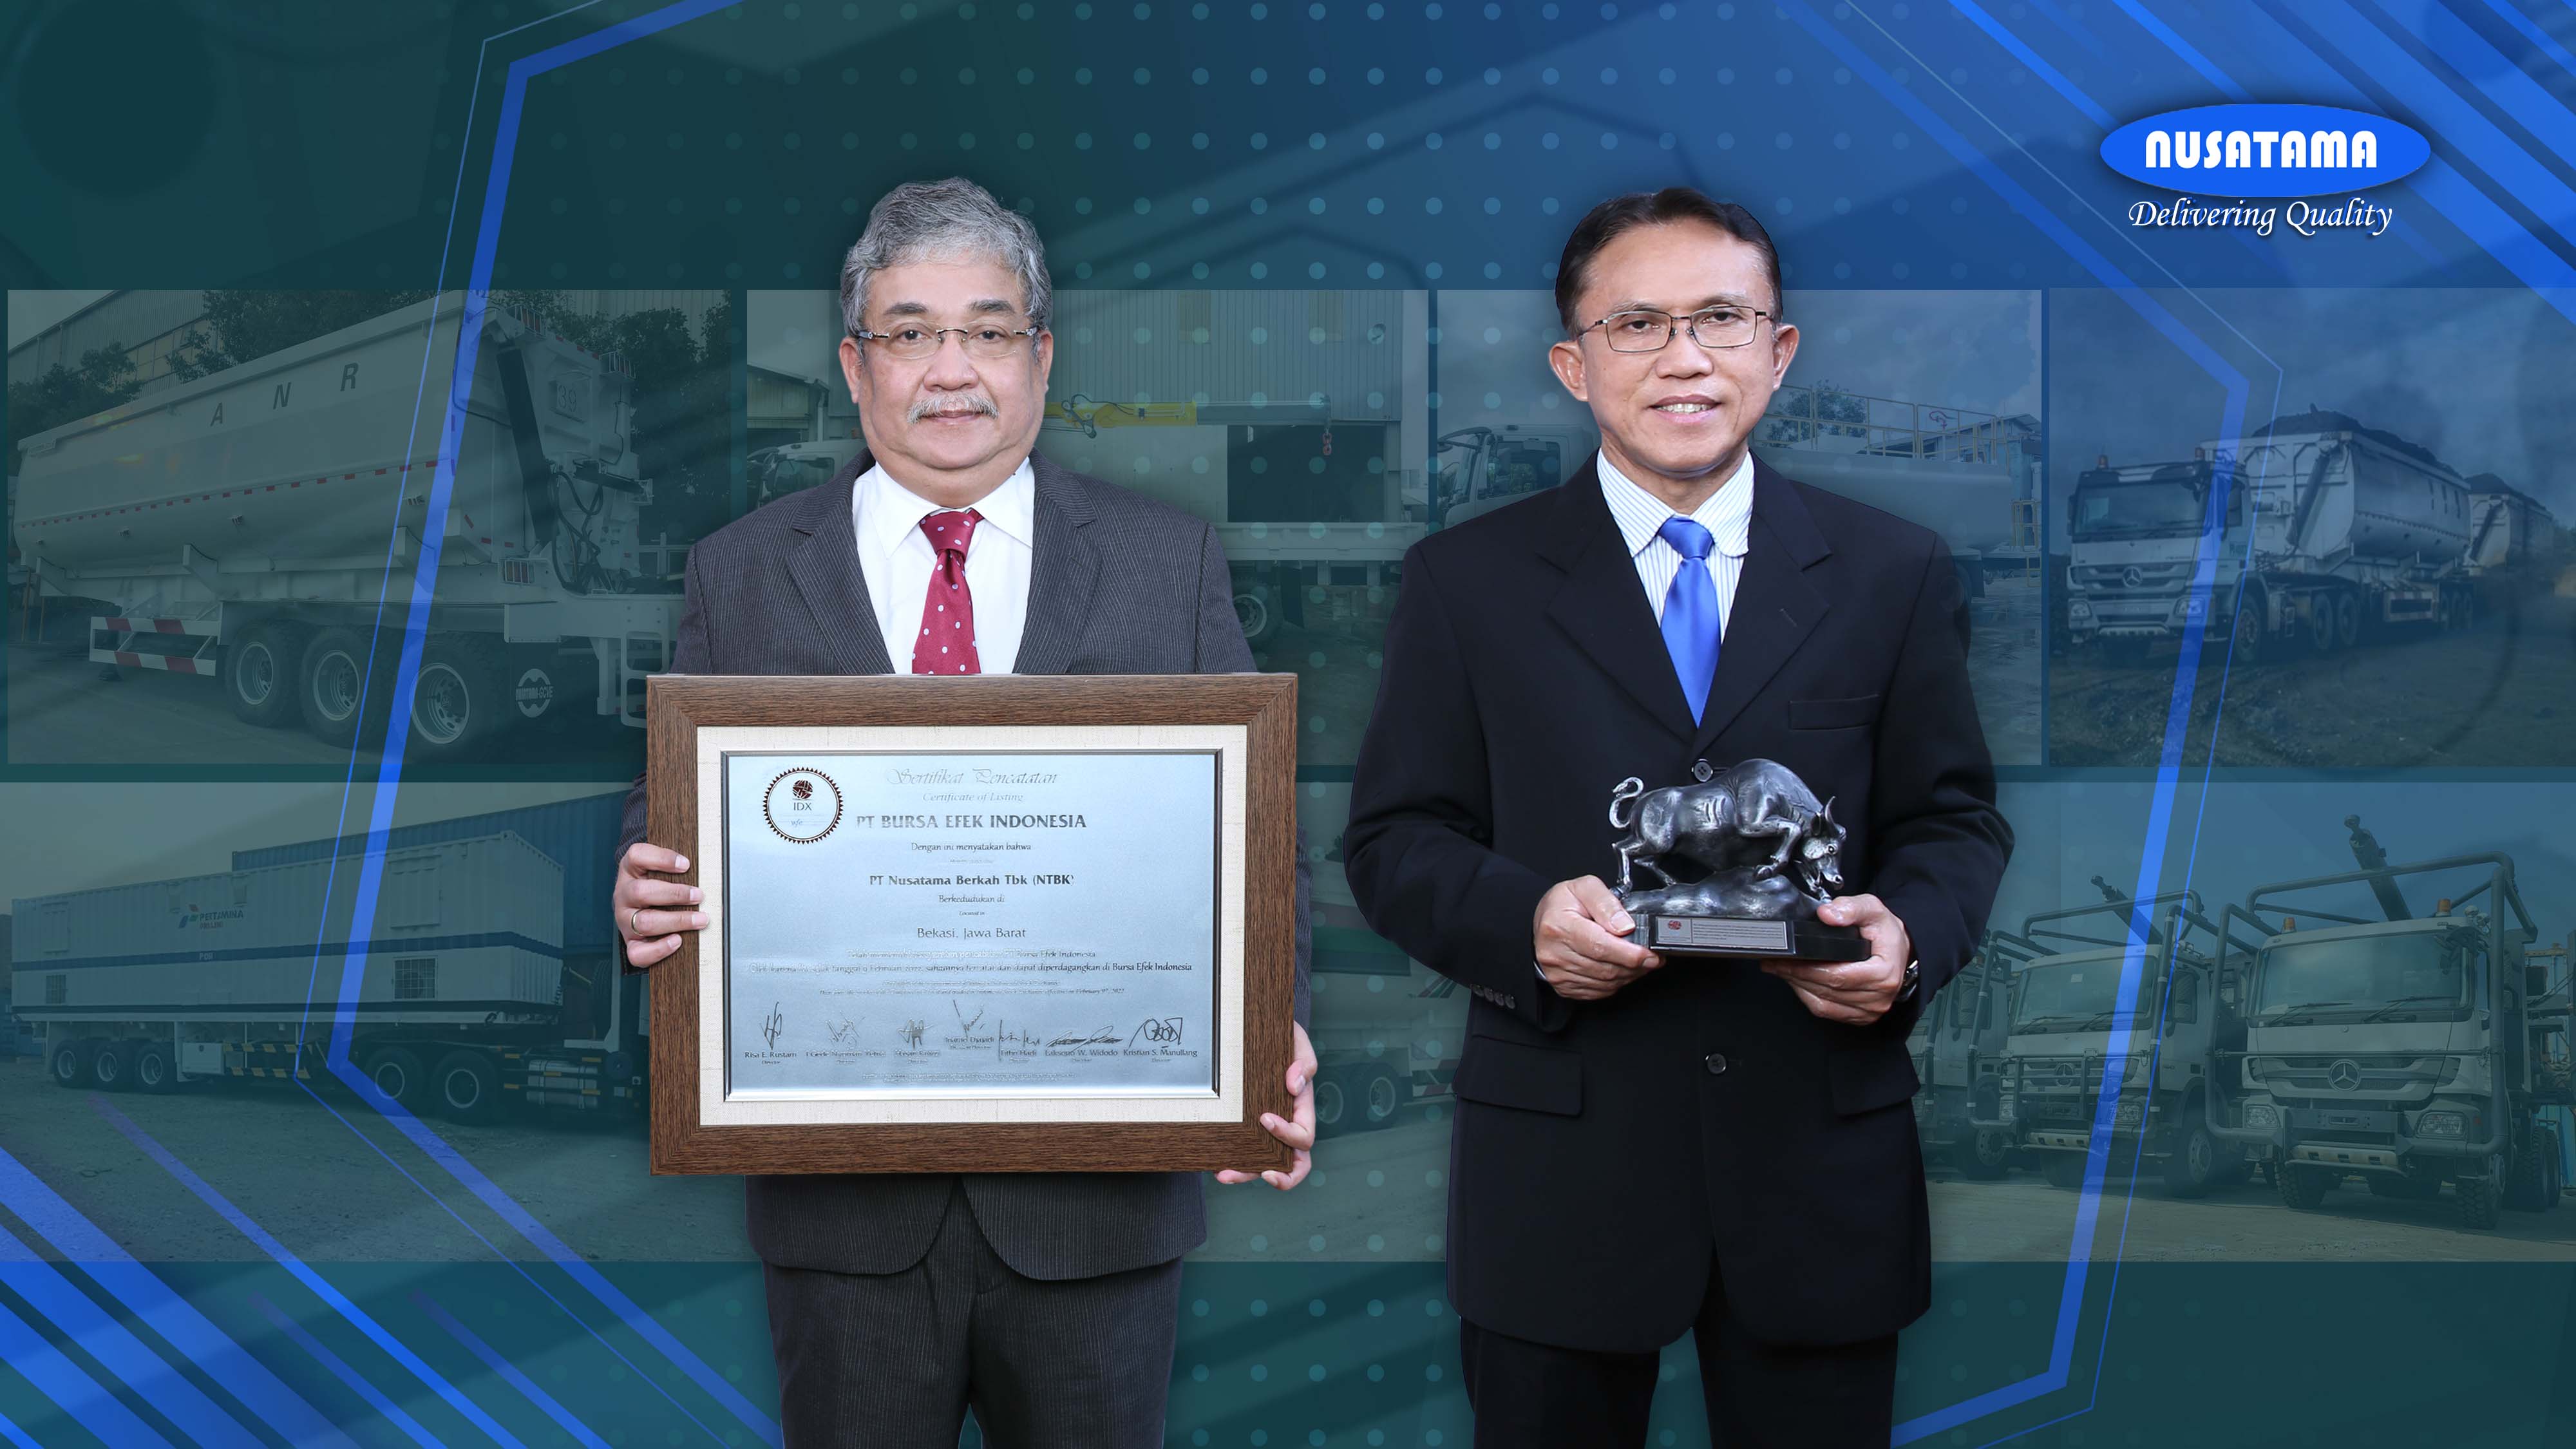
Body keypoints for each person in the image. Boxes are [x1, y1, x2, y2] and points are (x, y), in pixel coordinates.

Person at [610, 176, 1316, 1448]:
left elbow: (1255, 841)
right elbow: (672, 807)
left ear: (1040, 357)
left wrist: (1275, 1023)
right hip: (845, 1216)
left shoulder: (1168, 563)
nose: (951, 369)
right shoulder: (742, 571)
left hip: (1098, 1212)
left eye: (987, 331)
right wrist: (639, 879)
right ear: (853, 364)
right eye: (910, 332)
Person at [1342, 187, 2013, 1447]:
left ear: (1780, 350)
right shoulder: (1467, 583)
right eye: (1637, 324)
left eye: (1720, 318)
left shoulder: (1893, 572)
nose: (1684, 356)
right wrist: (1524, 922)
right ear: (1573, 364)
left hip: (1815, 1166)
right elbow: (1393, 839)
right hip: (1560, 1172)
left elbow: (1952, 820)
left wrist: (1911, 936)